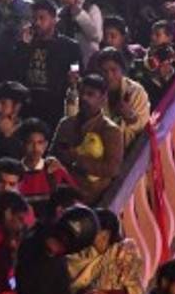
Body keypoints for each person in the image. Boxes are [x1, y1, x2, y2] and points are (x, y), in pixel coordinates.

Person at [0, 0, 82, 128]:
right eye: (34, 18)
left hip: (55, 105)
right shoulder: (24, 45)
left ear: (54, 19)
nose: (37, 22)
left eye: (42, 18)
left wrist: (73, 76)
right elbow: (13, 73)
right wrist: (23, 46)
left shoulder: (69, 46)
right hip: (28, 104)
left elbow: (75, 71)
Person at [16, 205, 98, 294]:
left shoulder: (58, 276)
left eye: (64, 245)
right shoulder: (25, 233)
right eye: (59, 236)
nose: (54, 248)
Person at [51, 75, 124, 204]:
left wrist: (77, 159)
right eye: (82, 93)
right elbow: (53, 155)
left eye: (90, 94)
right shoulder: (66, 124)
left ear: (103, 98)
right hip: (62, 194)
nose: (84, 98)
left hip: (93, 198)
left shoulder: (110, 130)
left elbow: (112, 169)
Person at [93, 48, 150, 147]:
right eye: (104, 71)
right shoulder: (94, 92)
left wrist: (131, 117)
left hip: (132, 150)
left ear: (122, 69)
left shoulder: (136, 91)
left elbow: (145, 126)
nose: (109, 76)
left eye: (114, 70)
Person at [17, 119, 77, 204]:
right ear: (21, 144)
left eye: (40, 143)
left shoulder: (56, 170)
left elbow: (76, 200)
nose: (35, 148)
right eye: (30, 142)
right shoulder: (14, 173)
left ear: (46, 145)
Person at [54, 0, 103, 66]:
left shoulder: (91, 9)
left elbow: (97, 37)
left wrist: (80, 15)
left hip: (89, 61)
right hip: (67, 61)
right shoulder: (59, 14)